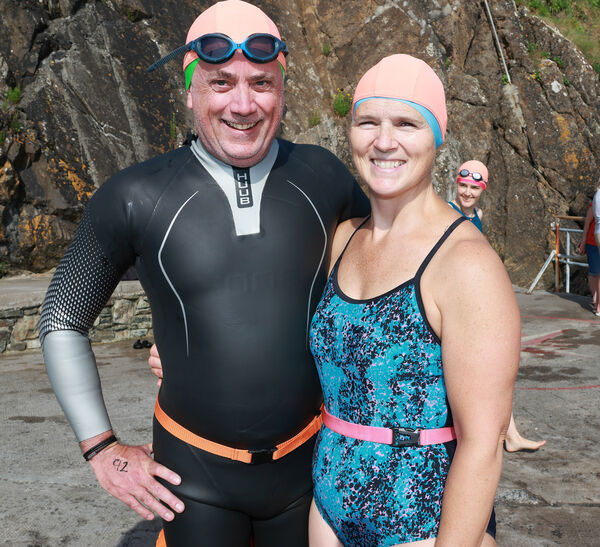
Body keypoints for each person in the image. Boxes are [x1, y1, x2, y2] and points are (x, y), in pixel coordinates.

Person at [38, 1, 368, 546]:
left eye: (261, 82)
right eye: (221, 83)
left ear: (283, 88)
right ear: (190, 91)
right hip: (194, 479)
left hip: (310, 470)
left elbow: (385, 282)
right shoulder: (135, 195)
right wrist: (102, 449)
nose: (243, 105)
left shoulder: (323, 176)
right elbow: (61, 318)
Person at [306, 54, 520, 545]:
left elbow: (484, 445)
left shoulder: (466, 265)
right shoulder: (341, 240)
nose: (384, 141)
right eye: (367, 122)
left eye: (406, 123)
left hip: (421, 521)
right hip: (328, 506)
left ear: (437, 138)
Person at [449, 161, 546, 452]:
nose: (467, 193)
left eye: (474, 188)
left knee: (498, 367)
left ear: (483, 190)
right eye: (463, 185)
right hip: (454, 301)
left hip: (476, 297)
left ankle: (510, 433)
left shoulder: (478, 215)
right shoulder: (445, 212)